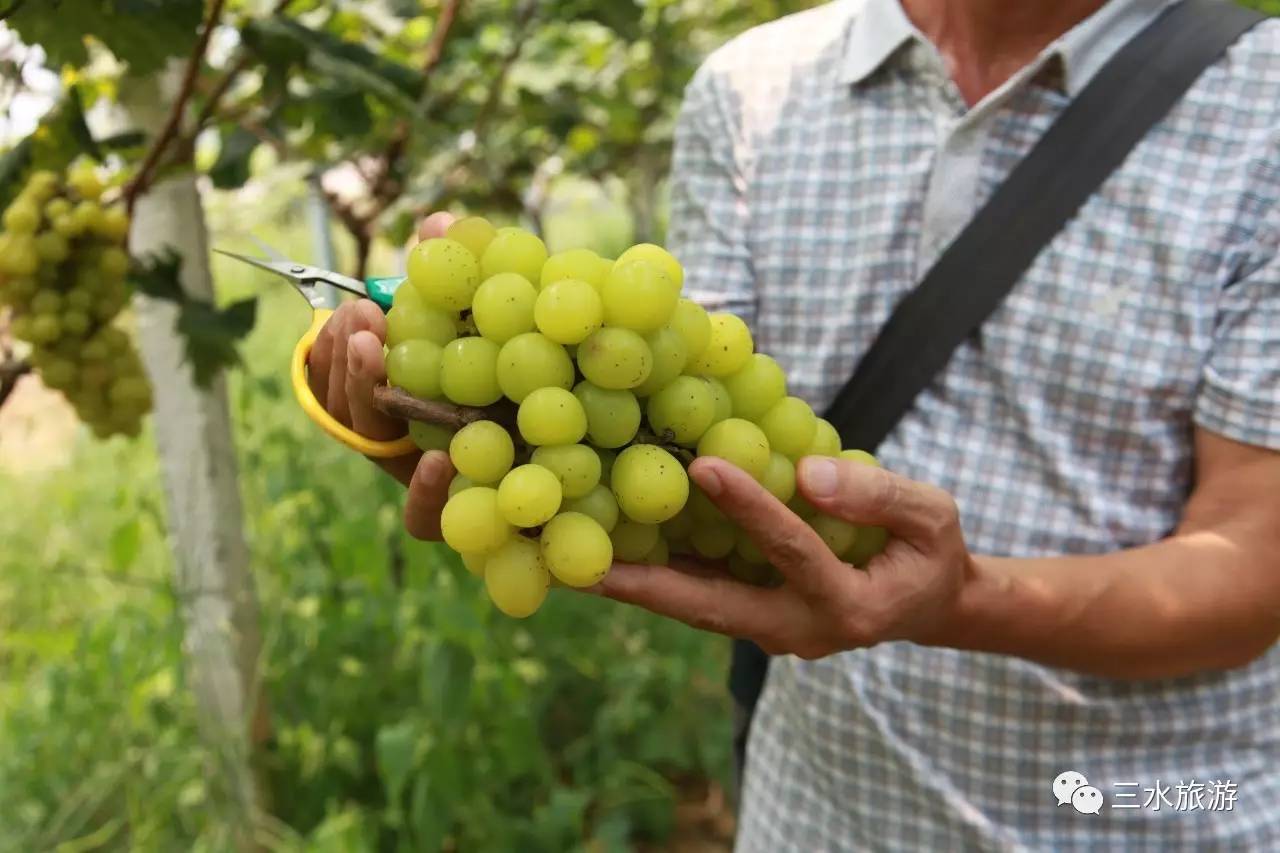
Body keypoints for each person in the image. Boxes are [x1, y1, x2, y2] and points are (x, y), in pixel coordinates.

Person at [307, 0, 1280, 847]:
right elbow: (655, 418)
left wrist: (962, 597)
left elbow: (1251, 563)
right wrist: (452, 417)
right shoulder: (749, 90)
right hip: (816, 811)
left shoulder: (1262, 111)